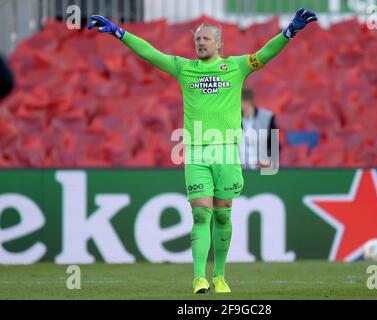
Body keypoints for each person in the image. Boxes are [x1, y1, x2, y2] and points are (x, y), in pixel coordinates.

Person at [88, 8, 318, 294]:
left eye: (206, 39)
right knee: (200, 215)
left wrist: (289, 32)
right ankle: (199, 277)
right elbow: (150, 53)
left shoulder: (236, 66)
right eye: (197, 39)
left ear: (219, 44)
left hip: (226, 153)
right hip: (196, 153)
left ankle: (220, 276)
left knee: (223, 215)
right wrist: (119, 33)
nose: (200, 43)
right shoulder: (184, 68)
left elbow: (266, 53)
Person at [239, 88, 280, 170]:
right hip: (240, 170)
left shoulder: (267, 117)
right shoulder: (234, 119)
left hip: (261, 169)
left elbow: (275, 145)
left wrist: (269, 162)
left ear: (247, 102)